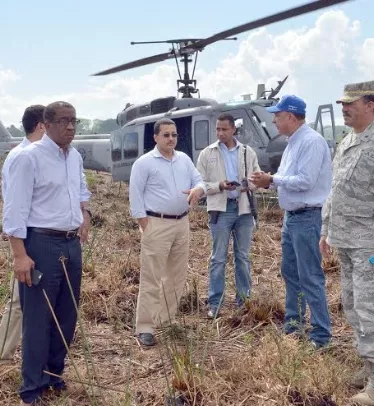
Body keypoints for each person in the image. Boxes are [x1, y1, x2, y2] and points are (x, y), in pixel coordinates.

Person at [3, 101, 92, 405]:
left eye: (74, 121)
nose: (70, 127)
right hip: (40, 244)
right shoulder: (28, 158)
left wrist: (85, 213)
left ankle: (54, 375)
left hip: (70, 243)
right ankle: (32, 388)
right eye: (64, 121)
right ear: (47, 124)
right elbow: (14, 209)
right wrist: (19, 255)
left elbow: (81, 190)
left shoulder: (74, 157)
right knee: (39, 320)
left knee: (66, 315)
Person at [251, 95, 332, 349]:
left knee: (310, 276)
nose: (274, 120)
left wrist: (272, 180)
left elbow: (305, 181)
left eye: (277, 115)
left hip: (307, 217)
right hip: (292, 218)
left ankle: (320, 336)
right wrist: (270, 180)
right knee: (291, 273)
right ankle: (294, 325)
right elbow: (290, 178)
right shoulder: (292, 144)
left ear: (291, 116)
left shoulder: (311, 142)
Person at [320, 81, 374, 405]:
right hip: (346, 241)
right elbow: (335, 189)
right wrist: (325, 230)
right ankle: (368, 365)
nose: (344, 107)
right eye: (342, 103)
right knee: (353, 307)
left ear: (371, 105)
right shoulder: (347, 141)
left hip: (369, 244)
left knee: (370, 308)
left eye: (351, 103)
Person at [129, 118, 205, 347]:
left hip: (182, 224)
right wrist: (145, 224)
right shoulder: (144, 163)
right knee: (152, 276)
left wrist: (198, 190)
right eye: (166, 135)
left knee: (176, 275)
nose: (171, 138)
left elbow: (199, 180)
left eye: (174, 135)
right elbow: (135, 195)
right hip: (156, 224)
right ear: (155, 138)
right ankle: (145, 327)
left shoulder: (184, 159)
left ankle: (166, 320)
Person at [196, 112, 260, 318]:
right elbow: (199, 184)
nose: (220, 133)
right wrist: (220, 185)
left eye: (224, 129)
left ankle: (244, 300)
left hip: (243, 210)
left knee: (242, 257)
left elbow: (257, 178)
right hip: (220, 211)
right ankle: (215, 303)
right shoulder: (207, 154)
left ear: (233, 129)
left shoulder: (247, 152)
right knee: (218, 258)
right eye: (218, 129)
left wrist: (246, 185)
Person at [0, 105, 45, 367]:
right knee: (19, 299)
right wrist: (19, 251)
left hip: (38, 236)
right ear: (41, 126)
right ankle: (4, 353)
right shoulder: (23, 156)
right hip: (27, 237)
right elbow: (14, 208)